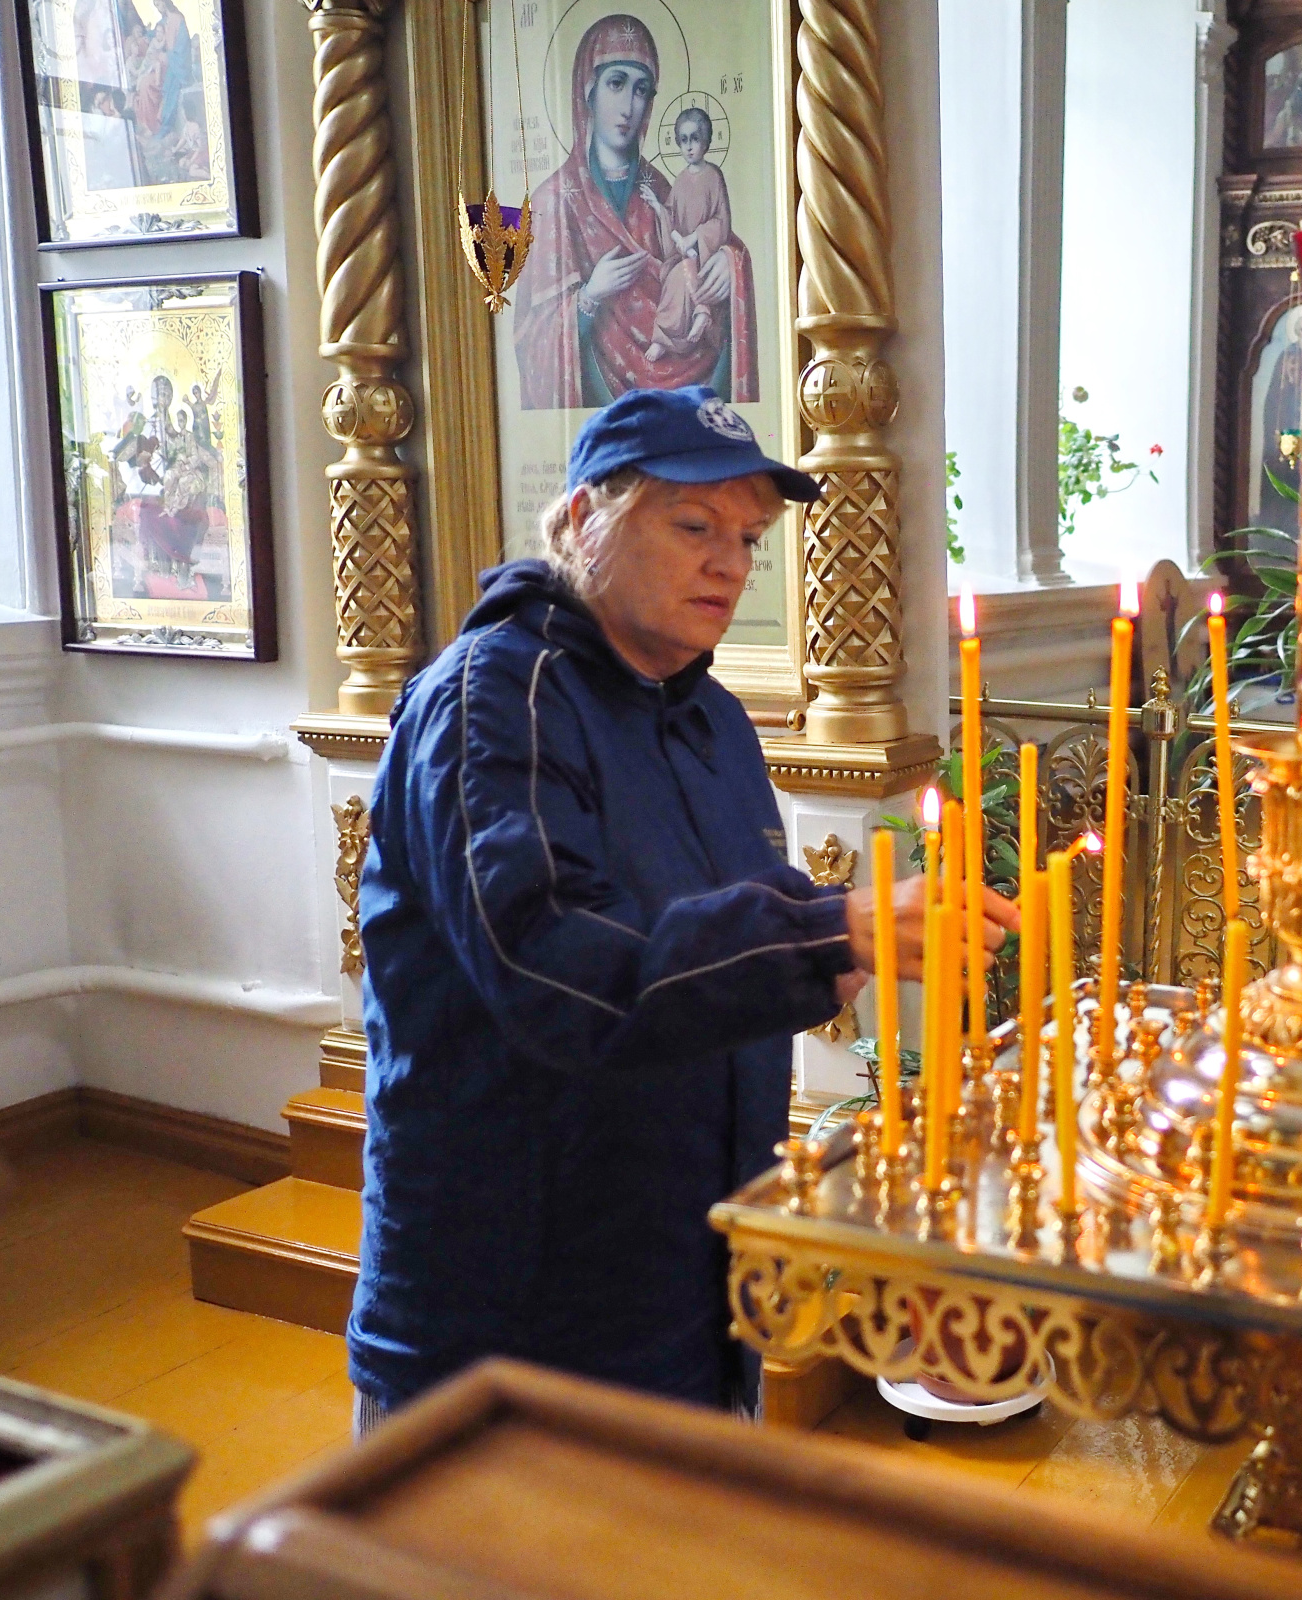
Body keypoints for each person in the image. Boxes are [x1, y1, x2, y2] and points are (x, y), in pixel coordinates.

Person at [348, 385, 1016, 1435]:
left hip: (688, 1286)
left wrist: (856, 950)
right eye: (693, 525)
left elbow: (718, 935)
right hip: (513, 1315)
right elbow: (556, 968)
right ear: (583, 519)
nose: (730, 564)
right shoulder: (492, 700)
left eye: (748, 538)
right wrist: (829, 931)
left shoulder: (712, 719)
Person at [513, 16, 756, 410]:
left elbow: (695, 249)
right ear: (588, 90)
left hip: (683, 396)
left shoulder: (662, 189)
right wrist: (589, 296)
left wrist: (729, 264)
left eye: (641, 89)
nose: (628, 106)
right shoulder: (551, 203)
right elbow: (530, 340)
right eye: (616, 83)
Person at [643, 105, 753, 387]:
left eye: (695, 139)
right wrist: (658, 208)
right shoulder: (680, 181)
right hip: (683, 254)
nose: (689, 147)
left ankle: (698, 317)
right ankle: (665, 337)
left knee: (683, 275)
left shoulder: (713, 176)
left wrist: (695, 238)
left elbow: (722, 221)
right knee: (674, 277)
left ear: (706, 141)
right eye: (683, 140)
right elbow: (672, 218)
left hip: (709, 252)